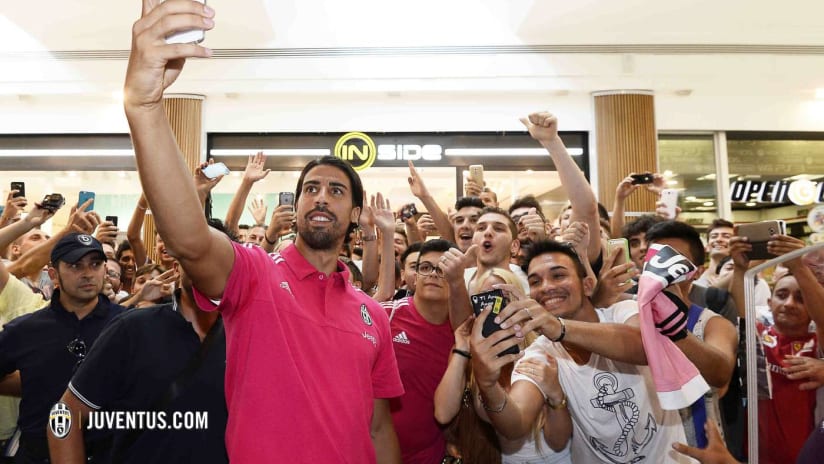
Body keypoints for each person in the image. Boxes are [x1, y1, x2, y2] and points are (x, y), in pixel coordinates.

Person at [124, 6, 403, 460]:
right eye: (310, 188)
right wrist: (145, 107)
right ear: (296, 207)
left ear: (355, 215)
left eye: (335, 190)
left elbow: (378, 427)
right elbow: (190, 240)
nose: (320, 196)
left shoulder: (371, 313)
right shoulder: (255, 274)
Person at [48, 262, 227, 463]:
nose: (206, 265)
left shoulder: (246, 336)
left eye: (217, 257)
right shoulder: (133, 328)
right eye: (196, 255)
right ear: (177, 267)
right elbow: (65, 414)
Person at [0, 233, 126, 463]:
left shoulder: (129, 325)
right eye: (75, 265)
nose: (88, 273)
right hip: (38, 455)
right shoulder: (26, 330)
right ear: (54, 274)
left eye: (95, 264)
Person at [729, 232, 824, 464]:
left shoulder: (819, 344)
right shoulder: (760, 336)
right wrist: (741, 270)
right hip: (758, 454)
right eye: (782, 295)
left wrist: (799, 267)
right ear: (770, 303)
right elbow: (742, 308)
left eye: (801, 298)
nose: (789, 303)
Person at [643, 221, 738, 448]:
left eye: (674, 260)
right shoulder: (628, 315)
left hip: (699, 450)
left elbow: (721, 372)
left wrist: (676, 330)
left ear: (698, 272)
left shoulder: (712, 323)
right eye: (656, 259)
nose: (663, 269)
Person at [379, 239, 458, 463]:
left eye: (442, 269)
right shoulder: (385, 317)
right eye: (425, 268)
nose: (433, 274)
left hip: (429, 455)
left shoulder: (464, 330)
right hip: (373, 451)